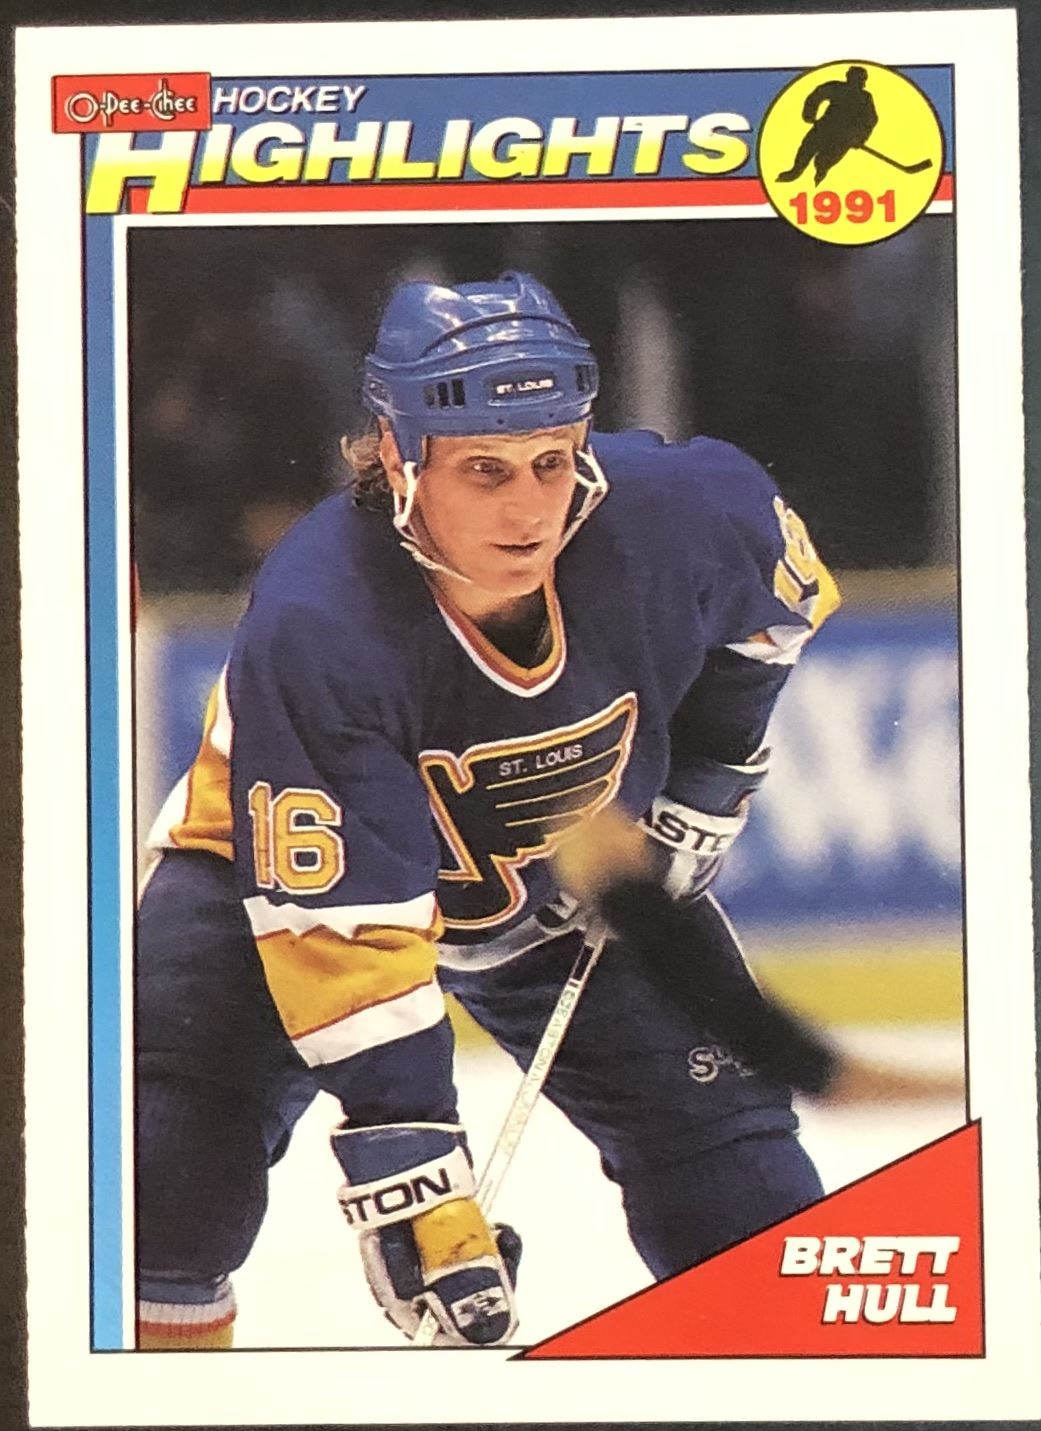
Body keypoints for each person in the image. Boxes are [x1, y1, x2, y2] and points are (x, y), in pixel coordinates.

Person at [135, 271, 840, 1350]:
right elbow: (343, 936)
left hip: (557, 874)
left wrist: (710, 771)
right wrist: (414, 1179)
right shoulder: (319, 617)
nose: (528, 509)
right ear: (396, 455)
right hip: (266, 894)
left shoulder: (688, 509)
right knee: (163, 1186)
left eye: (552, 461)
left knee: (741, 1183)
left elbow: (774, 607)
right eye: (484, 470)